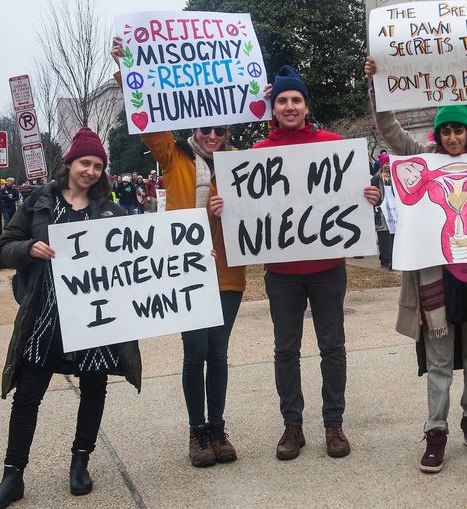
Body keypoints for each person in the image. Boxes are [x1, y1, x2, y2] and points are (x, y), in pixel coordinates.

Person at [366, 40, 467, 474]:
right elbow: (389, 129)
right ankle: (435, 430)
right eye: (447, 131)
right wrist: (376, 83)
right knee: (439, 362)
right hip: (435, 281)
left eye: (459, 130)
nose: (454, 137)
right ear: (437, 135)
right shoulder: (421, 163)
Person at [0, 128, 141, 509]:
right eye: (85, 162)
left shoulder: (110, 211)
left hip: (94, 320)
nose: (90, 171)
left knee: (93, 389)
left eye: (98, 166)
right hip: (46, 316)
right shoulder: (39, 202)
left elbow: (139, 261)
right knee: (28, 395)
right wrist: (29, 248)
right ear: (68, 163)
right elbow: (4, 248)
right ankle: (13, 474)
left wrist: (191, 259)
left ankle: (80, 461)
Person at [110, 37, 247, 468]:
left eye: (220, 129)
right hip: (187, 271)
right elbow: (146, 118)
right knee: (196, 354)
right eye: (205, 128)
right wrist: (125, 66)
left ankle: (218, 427)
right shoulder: (173, 156)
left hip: (228, 272)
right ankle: (197, 432)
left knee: (220, 354)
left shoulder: (241, 162)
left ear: (228, 132)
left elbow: (269, 202)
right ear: (193, 128)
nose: (211, 135)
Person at [240, 64, 380, 462]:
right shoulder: (258, 155)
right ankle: (293, 426)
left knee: (332, 346)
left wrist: (369, 194)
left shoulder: (334, 144)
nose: (289, 105)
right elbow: (247, 210)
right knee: (286, 350)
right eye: (282, 100)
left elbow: (356, 193)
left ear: (305, 105)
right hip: (281, 273)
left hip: (327, 268)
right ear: (272, 107)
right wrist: (224, 208)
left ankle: (334, 424)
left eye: (295, 99)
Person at [373, 161, 396, 269]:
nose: (387, 165)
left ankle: (390, 259)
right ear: (381, 165)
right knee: (383, 236)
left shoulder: (394, 178)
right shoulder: (376, 178)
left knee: (391, 235)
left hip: (393, 211)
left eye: (389, 163)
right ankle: (385, 259)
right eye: (385, 163)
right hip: (381, 211)